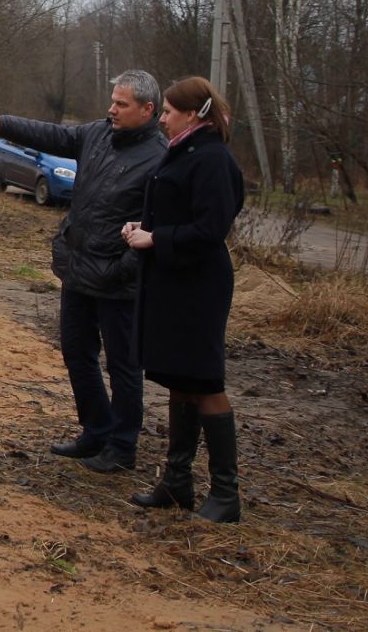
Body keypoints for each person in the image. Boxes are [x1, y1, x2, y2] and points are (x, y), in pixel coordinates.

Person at [0, 70, 166, 473]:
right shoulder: (99, 134)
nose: (112, 109)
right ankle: (96, 430)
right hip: (79, 268)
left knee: (123, 365)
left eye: (121, 104)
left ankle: (122, 447)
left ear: (148, 109)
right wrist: (2, 123)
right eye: (112, 100)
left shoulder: (159, 156)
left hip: (119, 282)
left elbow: (155, 225)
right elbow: (53, 135)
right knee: (76, 352)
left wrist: (123, 268)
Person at [122, 76, 245, 523]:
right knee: (180, 378)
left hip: (199, 286)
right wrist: (141, 228)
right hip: (174, 280)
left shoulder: (213, 158)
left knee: (206, 382)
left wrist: (158, 238)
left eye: (170, 112)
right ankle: (177, 483)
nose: (165, 118)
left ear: (193, 114)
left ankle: (226, 495)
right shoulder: (187, 151)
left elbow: (212, 230)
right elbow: (178, 210)